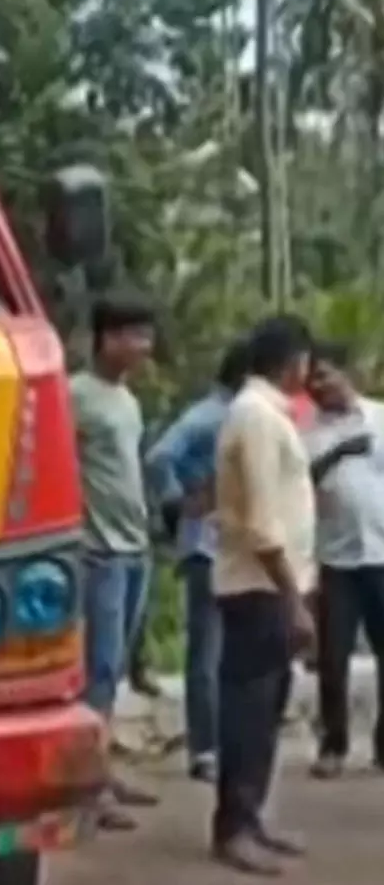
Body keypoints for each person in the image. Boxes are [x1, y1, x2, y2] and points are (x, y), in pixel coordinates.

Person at [209, 314, 318, 876]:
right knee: (248, 711)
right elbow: (260, 520)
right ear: (293, 361)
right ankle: (234, 827)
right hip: (259, 586)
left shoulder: (267, 415)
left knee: (266, 709)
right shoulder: (254, 416)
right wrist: (293, 597)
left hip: (272, 584)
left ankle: (250, 817)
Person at [69, 290, 161, 831]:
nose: (144, 346)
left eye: (146, 336)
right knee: (97, 671)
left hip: (134, 549)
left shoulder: (127, 400)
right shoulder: (75, 394)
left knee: (115, 669)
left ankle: (102, 770)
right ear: (107, 339)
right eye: (135, 335)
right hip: (98, 552)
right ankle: (88, 787)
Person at [144, 338, 252, 782]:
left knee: (225, 651)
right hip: (206, 545)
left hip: (232, 545)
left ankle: (222, 743)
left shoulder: (238, 414)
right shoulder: (210, 415)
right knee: (206, 652)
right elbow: (159, 456)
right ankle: (205, 749)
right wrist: (177, 500)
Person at [301, 341, 384, 779]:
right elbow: (300, 482)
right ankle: (333, 744)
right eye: (310, 379)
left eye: (324, 375)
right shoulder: (306, 432)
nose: (317, 386)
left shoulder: (380, 418)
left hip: (381, 553)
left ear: (346, 373)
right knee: (332, 657)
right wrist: (338, 453)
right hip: (336, 558)